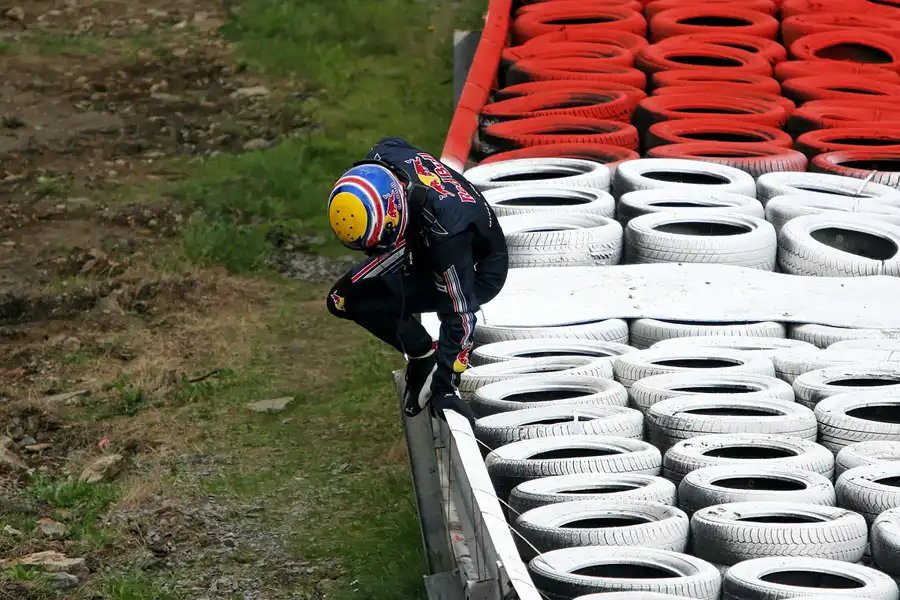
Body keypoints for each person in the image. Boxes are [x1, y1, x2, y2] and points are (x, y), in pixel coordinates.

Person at [325, 137, 508, 426]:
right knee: (340, 300)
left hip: (476, 267)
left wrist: (446, 385)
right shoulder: (384, 153)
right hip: (418, 228)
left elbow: (461, 315)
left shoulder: (446, 236)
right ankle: (423, 353)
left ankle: (431, 362)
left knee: (363, 301)